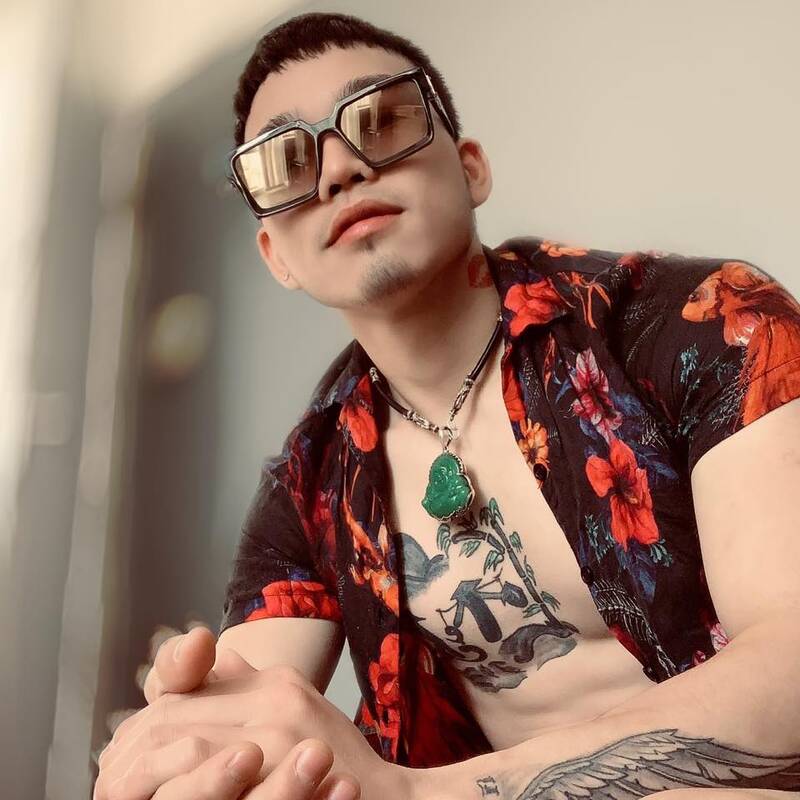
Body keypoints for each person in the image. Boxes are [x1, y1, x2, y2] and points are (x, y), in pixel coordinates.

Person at [93, 11, 800, 800]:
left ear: (470, 169)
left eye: (381, 120)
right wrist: (188, 748)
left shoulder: (704, 322)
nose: (338, 171)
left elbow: (792, 667)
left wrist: (413, 794)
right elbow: (255, 735)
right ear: (276, 257)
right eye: (286, 162)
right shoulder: (311, 483)